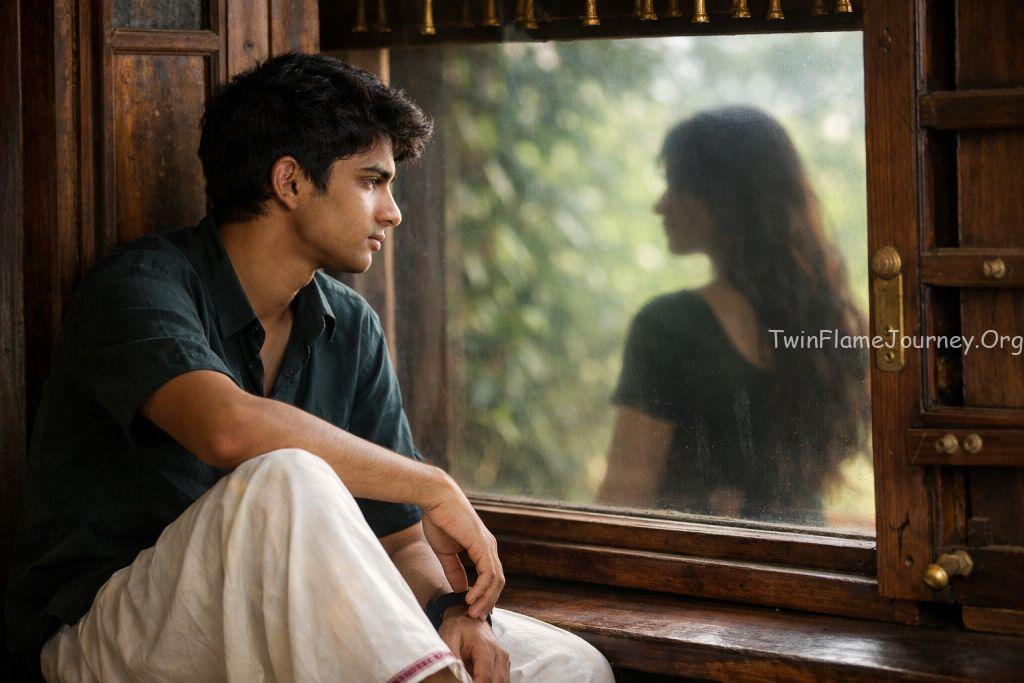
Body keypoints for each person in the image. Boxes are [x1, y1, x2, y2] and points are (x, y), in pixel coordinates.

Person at [6, 53, 614, 683]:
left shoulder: (348, 325)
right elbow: (227, 430)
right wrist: (433, 483)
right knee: (289, 476)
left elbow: (400, 540)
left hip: (272, 613)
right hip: (107, 633)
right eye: (371, 181)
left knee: (569, 665)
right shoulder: (138, 287)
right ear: (290, 182)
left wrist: (449, 610)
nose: (392, 211)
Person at [599, 106, 869, 525]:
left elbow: (623, 498)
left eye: (675, 186)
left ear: (722, 199)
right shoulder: (823, 319)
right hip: (811, 564)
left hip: (699, 572)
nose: (661, 206)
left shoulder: (669, 326)